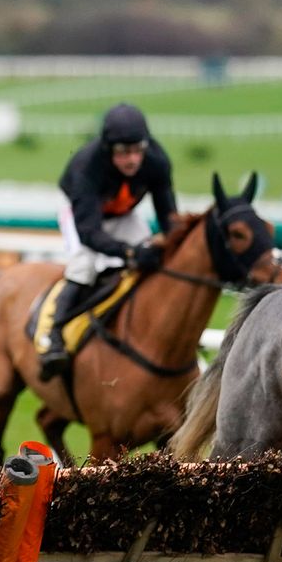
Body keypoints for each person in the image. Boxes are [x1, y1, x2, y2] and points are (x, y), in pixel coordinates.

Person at [38, 103, 178, 381]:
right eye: (123, 152)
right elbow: (89, 233)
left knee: (158, 260)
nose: (132, 160)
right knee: (84, 265)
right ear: (108, 149)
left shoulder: (157, 161)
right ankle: (52, 335)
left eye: (137, 150)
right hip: (80, 214)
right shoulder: (87, 166)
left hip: (123, 214)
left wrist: (169, 246)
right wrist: (129, 252)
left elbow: (168, 217)